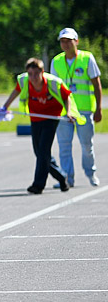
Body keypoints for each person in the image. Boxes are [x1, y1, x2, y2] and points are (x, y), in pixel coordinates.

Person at [2, 58, 79, 194]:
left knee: (43, 150)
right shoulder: (24, 81)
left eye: (36, 74)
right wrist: (5, 106)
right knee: (40, 152)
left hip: (51, 118)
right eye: (30, 74)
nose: (33, 78)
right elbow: (16, 91)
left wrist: (68, 113)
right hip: (36, 117)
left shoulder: (53, 83)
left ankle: (38, 185)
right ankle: (61, 177)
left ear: (42, 72)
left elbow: (67, 97)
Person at [50, 27, 102, 187]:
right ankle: (67, 178)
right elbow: (53, 87)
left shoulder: (87, 58)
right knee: (64, 146)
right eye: (62, 41)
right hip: (64, 112)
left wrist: (98, 108)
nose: (65, 44)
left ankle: (90, 173)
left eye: (68, 41)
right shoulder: (56, 61)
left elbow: (96, 84)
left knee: (87, 145)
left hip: (84, 110)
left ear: (76, 41)